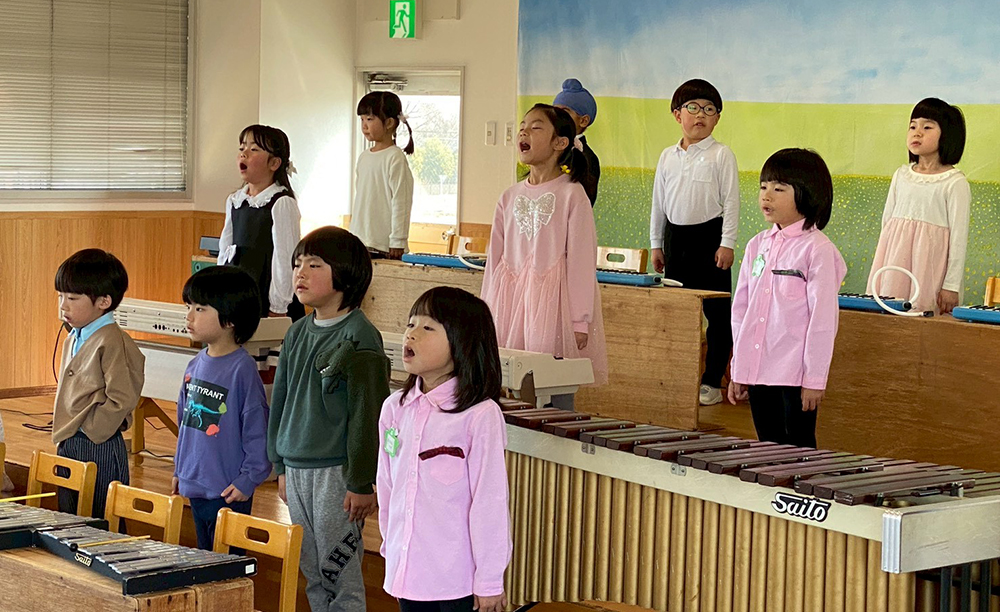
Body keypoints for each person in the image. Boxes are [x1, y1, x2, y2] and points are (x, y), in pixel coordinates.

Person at [267, 226, 391, 612]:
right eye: (297, 264)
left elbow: (367, 416)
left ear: (346, 275)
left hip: (336, 473)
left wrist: (361, 482)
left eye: (314, 265)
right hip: (296, 468)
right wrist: (279, 464)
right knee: (311, 567)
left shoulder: (360, 337)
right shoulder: (297, 332)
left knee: (339, 570)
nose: (300, 273)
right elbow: (281, 400)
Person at [377, 287, 511, 612]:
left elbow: (489, 502)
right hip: (408, 573)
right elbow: (387, 486)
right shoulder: (394, 408)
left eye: (427, 327)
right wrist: (391, 548)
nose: (411, 334)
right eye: (410, 324)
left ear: (461, 343)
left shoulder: (480, 415)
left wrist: (489, 580)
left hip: (456, 580)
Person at [481, 103, 608, 409]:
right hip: (510, 307)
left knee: (553, 391)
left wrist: (579, 321)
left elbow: (581, 263)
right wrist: (484, 313)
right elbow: (494, 261)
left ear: (560, 143)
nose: (524, 132)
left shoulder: (572, 194)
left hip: (554, 311)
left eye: (536, 127)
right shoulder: (508, 196)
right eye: (522, 127)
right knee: (509, 391)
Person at [728, 149, 847, 449]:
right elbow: (741, 311)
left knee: (798, 450)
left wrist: (814, 379)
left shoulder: (817, 249)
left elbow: (823, 320)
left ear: (807, 194)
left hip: (795, 376)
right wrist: (739, 369)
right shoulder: (757, 245)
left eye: (779, 189)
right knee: (766, 448)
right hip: (758, 371)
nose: (766, 196)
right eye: (763, 187)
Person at [649, 78, 740, 406]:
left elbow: (731, 201)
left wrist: (727, 242)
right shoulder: (667, 156)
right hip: (676, 240)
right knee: (677, 314)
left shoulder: (721, 155)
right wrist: (656, 243)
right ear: (677, 115)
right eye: (693, 107)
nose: (700, 114)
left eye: (709, 109)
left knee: (717, 315)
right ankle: (677, 376)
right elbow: (658, 203)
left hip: (710, 240)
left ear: (717, 118)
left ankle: (711, 381)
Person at [171, 266, 271, 550]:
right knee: (204, 559)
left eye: (200, 309)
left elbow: (256, 430)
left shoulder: (242, 370)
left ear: (229, 319)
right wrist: (180, 469)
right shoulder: (194, 365)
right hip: (195, 487)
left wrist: (248, 479)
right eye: (189, 307)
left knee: (228, 566)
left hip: (228, 491)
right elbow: (185, 424)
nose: (189, 316)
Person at [52, 249, 144, 518]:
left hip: (98, 443)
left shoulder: (113, 341)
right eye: (60, 296)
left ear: (104, 301)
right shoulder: (74, 336)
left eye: (72, 298)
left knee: (100, 518)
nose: (63, 306)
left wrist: (93, 429)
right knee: (69, 516)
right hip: (71, 439)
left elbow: (122, 397)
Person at [866, 98, 971, 314]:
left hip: (929, 270)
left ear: (947, 135)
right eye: (913, 126)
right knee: (888, 317)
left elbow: (959, 239)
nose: (917, 133)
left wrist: (951, 286)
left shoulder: (954, 182)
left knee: (922, 320)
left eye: (927, 127)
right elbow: (887, 225)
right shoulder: (901, 175)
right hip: (894, 265)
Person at [218, 124, 304, 320]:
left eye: (254, 149)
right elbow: (226, 250)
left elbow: (285, 259)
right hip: (240, 296)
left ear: (274, 163)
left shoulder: (281, 203)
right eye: (242, 148)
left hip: (268, 299)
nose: (244, 153)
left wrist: (278, 306)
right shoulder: (235, 201)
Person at [350, 91, 415, 260]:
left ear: (389, 123)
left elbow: (401, 201)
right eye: (362, 120)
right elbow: (362, 198)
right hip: (360, 242)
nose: (364, 125)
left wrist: (398, 240)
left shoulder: (395, 157)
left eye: (369, 119)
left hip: (384, 246)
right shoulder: (364, 157)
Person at [553, 78, 601, 207]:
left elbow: (586, 201)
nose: (557, 118)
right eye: (554, 112)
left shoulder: (588, 157)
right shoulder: (548, 149)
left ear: (583, 121)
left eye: (564, 112)